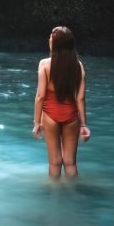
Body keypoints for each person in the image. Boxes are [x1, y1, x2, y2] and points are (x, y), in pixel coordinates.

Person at [32, 26, 90, 178]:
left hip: (50, 116)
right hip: (72, 117)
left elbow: (40, 96)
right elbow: (80, 98)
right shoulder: (78, 65)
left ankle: (54, 192)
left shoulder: (44, 64)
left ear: (55, 43)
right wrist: (84, 125)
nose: (49, 39)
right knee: (70, 162)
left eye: (51, 37)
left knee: (54, 162)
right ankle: (73, 191)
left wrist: (37, 123)